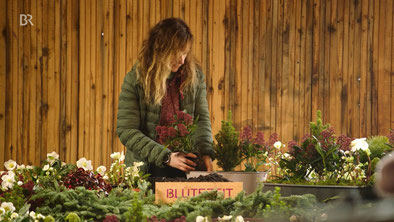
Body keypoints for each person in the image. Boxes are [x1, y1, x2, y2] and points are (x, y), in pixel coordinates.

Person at [116, 18, 215, 179]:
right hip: (148, 167)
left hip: (187, 164)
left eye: (185, 53)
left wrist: (206, 155)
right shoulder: (136, 80)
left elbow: (201, 119)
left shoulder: (194, 77)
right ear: (161, 49)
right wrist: (167, 157)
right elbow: (126, 130)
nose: (182, 60)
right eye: (177, 53)